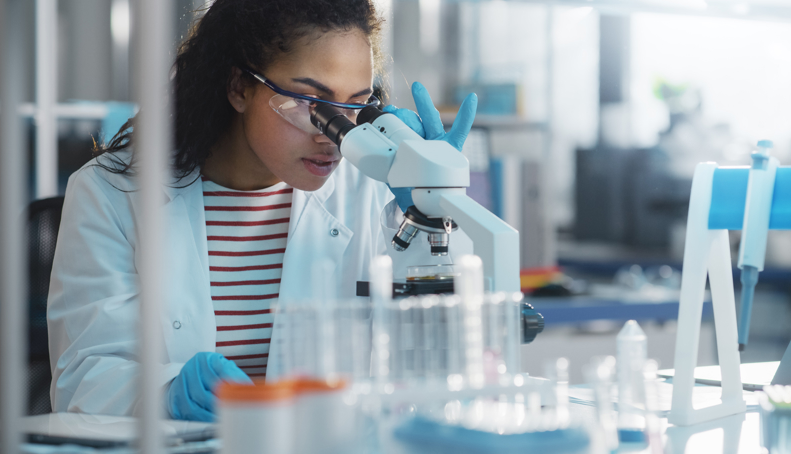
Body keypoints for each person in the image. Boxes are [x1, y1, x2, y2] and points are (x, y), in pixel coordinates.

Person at [47, 0, 478, 422]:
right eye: (311, 103)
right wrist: (166, 394)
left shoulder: (371, 191)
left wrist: (430, 214)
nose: (335, 136)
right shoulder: (112, 192)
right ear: (239, 87)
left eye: (356, 107)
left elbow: (444, 365)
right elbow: (84, 378)